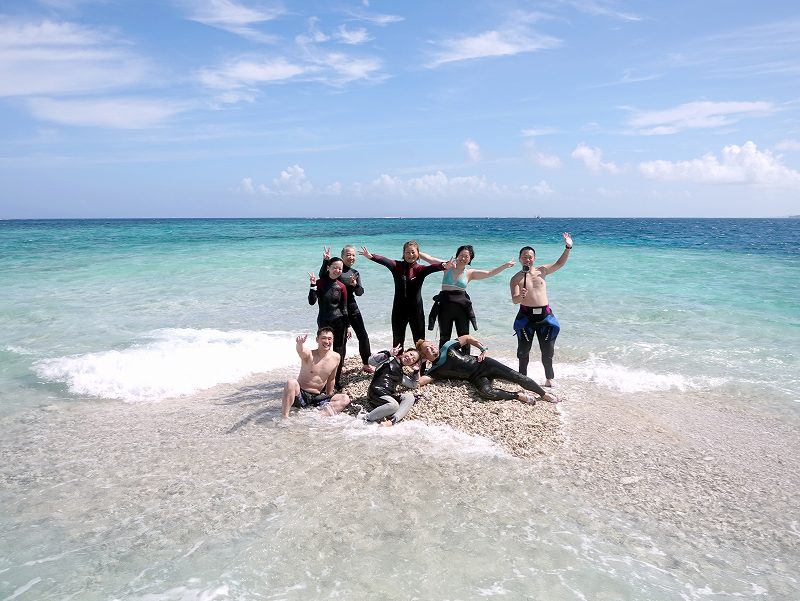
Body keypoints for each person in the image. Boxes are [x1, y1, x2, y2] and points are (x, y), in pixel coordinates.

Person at [359, 241, 454, 348]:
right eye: (407, 252)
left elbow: (432, 268)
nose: (410, 255)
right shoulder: (396, 266)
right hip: (399, 310)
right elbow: (385, 261)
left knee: (419, 341)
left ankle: (421, 364)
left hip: (416, 311)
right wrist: (371, 256)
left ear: (418, 253)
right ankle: (398, 363)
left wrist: (444, 265)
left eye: (413, 252)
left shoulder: (420, 269)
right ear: (403, 254)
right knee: (398, 341)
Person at [419, 245, 515, 349]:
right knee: (444, 337)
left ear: (470, 259)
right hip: (445, 308)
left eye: (466, 256)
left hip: (462, 309)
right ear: (457, 256)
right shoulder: (447, 266)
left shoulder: (470, 273)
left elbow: (489, 273)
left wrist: (505, 266)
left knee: (464, 338)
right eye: (461, 255)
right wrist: (415, 251)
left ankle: (466, 363)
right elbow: (430, 258)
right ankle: (443, 363)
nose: (463, 258)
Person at [509, 232, 573, 387]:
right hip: (526, 318)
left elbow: (559, 263)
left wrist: (568, 247)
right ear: (520, 259)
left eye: (530, 256)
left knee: (548, 352)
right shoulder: (515, 278)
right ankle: (523, 380)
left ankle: (549, 379)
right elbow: (514, 300)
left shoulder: (542, 271)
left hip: (545, 317)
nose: (527, 259)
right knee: (523, 352)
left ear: (534, 258)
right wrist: (521, 296)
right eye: (524, 257)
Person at [416, 335, 558, 403]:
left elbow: (466, 338)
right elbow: (419, 382)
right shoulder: (435, 370)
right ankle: (517, 395)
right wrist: (415, 367)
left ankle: (543, 393)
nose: (432, 347)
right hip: (476, 377)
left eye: (431, 345)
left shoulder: (447, 347)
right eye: (427, 349)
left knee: (516, 376)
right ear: (424, 355)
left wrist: (482, 349)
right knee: (486, 393)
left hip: (485, 364)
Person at [319, 245, 374, 374]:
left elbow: (360, 292)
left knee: (363, 336)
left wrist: (355, 286)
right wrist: (325, 261)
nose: (351, 257)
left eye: (353, 255)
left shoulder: (355, 273)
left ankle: (366, 363)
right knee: (341, 340)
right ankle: (339, 366)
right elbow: (322, 277)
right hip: (338, 311)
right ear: (342, 256)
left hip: (352, 308)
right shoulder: (337, 270)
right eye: (348, 255)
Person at [281, 329, 351, 418]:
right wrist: (299, 344)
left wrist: (328, 397)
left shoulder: (336, 357)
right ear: (317, 339)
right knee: (291, 383)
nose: (327, 341)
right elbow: (301, 351)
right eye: (323, 338)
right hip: (301, 395)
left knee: (345, 399)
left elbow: (331, 379)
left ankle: (318, 417)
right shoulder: (310, 354)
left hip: (317, 397)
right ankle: (285, 417)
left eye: (329, 339)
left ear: (333, 340)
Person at [308, 257, 348, 390]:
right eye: (335, 267)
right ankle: (321, 379)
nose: (337, 270)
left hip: (340, 322)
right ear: (328, 268)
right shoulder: (320, 283)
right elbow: (312, 301)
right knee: (323, 350)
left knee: (339, 350)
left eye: (340, 269)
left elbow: (344, 308)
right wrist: (312, 285)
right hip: (324, 321)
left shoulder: (341, 286)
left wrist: (348, 326)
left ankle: (336, 380)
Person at [363, 345, 421, 426]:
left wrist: (416, 371)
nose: (410, 358)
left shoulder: (401, 374)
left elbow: (413, 385)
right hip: (376, 393)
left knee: (410, 397)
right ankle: (366, 419)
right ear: (405, 352)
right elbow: (370, 361)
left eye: (413, 359)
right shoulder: (388, 359)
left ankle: (391, 421)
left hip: (388, 397)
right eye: (411, 354)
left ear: (411, 364)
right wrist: (388, 353)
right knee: (394, 406)